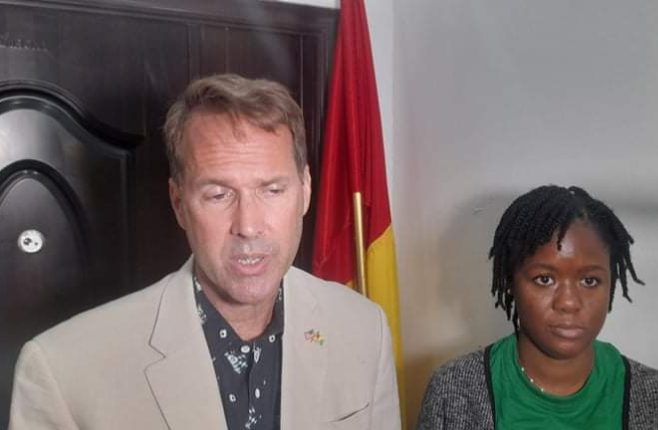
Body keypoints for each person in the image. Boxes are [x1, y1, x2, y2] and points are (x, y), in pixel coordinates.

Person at [8, 74, 400, 429]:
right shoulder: (62, 371)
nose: (248, 225)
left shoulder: (365, 329)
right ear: (179, 203)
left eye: (272, 190)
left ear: (306, 191)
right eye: (218, 194)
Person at [417, 185, 658, 429]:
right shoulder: (453, 392)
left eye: (589, 281)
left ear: (611, 284)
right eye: (545, 279)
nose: (568, 302)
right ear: (510, 282)